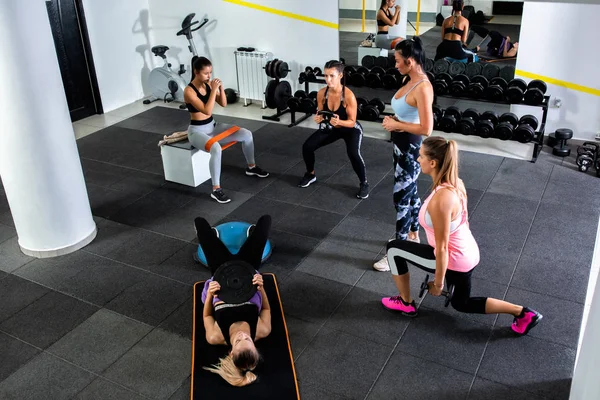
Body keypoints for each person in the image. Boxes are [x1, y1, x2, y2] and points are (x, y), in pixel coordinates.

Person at [381, 137, 543, 335]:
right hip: (468, 252)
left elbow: (441, 249)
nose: (417, 159)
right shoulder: (456, 183)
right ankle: (523, 313)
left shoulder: (441, 200)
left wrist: (439, 284)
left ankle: (405, 303)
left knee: (394, 249)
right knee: (462, 303)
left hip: (453, 257)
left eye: (421, 156)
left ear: (433, 163)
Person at [373, 37, 434, 271]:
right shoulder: (409, 79)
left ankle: (396, 253)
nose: (395, 64)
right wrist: (395, 121)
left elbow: (426, 128)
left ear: (409, 61)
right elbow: (410, 116)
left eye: (398, 61)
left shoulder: (423, 87)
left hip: (412, 150)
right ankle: (413, 234)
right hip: (399, 146)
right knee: (411, 193)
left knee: (401, 199)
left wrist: (397, 125)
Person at [196, 214, 273, 387]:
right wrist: (261, 287)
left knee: (199, 223)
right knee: (265, 221)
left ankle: (217, 239)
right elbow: (267, 310)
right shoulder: (262, 330)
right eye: (248, 340)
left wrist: (210, 294)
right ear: (255, 346)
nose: (242, 336)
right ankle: (251, 237)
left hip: (222, 272)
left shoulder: (215, 336)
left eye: (238, 341)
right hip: (247, 270)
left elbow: (207, 316)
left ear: (231, 353)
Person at [184, 56, 269, 204]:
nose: (209, 76)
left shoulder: (209, 85)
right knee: (216, 148)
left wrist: (221, 88)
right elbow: (207, 110)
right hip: (197, 132)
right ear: (196, 72)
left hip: (213, 127)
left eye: (210, 72)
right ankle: (216, 190)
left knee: (246, 134)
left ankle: (251, 167)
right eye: (205, 73)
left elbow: (223, 103)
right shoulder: (189, 91)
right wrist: (214, 90)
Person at [298, 60, 369, 199]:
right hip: (332, 127)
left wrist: (340, 121)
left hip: (350, 129)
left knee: (353, 154)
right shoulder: (321, 94)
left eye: (332, 76)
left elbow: (352, 122)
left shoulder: (348, 96)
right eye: (325, 76)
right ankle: (310, 174)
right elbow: (321, 113)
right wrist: (319, 118)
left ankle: (364, 183)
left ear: (340, 76)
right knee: (307, 147)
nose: (328, 79)